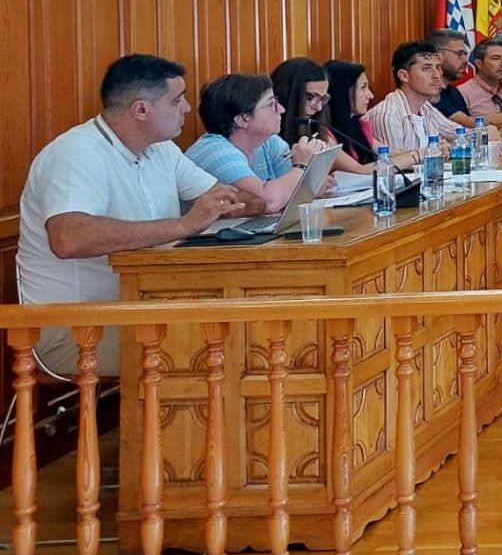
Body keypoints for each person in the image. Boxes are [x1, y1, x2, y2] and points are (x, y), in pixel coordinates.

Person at [17, 54, 247, 375]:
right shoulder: (76, 154)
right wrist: (184, 225)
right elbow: (68, 237)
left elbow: (224, 197)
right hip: (75, 327)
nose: (187, 109)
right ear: (141, 109)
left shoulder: (161, 148)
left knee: (240, 331)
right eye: (177, 100)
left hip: (139, 308)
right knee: (209, 345)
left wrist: (277, 193)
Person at [184, 73, 332, 213]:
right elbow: (266, 202)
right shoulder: (214, 151)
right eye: (271, 104)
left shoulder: (268, 141)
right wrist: (302, 166)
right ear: (242, 119)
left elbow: (303, 190)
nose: (281, 109)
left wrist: (313, 177)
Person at [367, 40, 464, 154]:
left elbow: (462, 135)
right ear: (404, 76)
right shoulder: (388, 115)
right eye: (426, 68)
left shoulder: (425, 107)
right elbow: (396, 166)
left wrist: (447, 148)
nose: (437, 75)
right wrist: (436, 153)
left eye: (438, 67)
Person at [324, 58, 419, 168]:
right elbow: (361, 170)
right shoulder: (325, 135)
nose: (371, 95)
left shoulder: (357, 126)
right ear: (342, 91)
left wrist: (431, 152)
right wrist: (419, 154)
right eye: (363, 88)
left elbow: (390, 154)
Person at [425, 28, 480, 129]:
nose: (465, 60)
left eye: (465, 54)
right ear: (437, 55)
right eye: (459, 54)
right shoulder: (429, 93)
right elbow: (468, 124)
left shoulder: (453, 91)